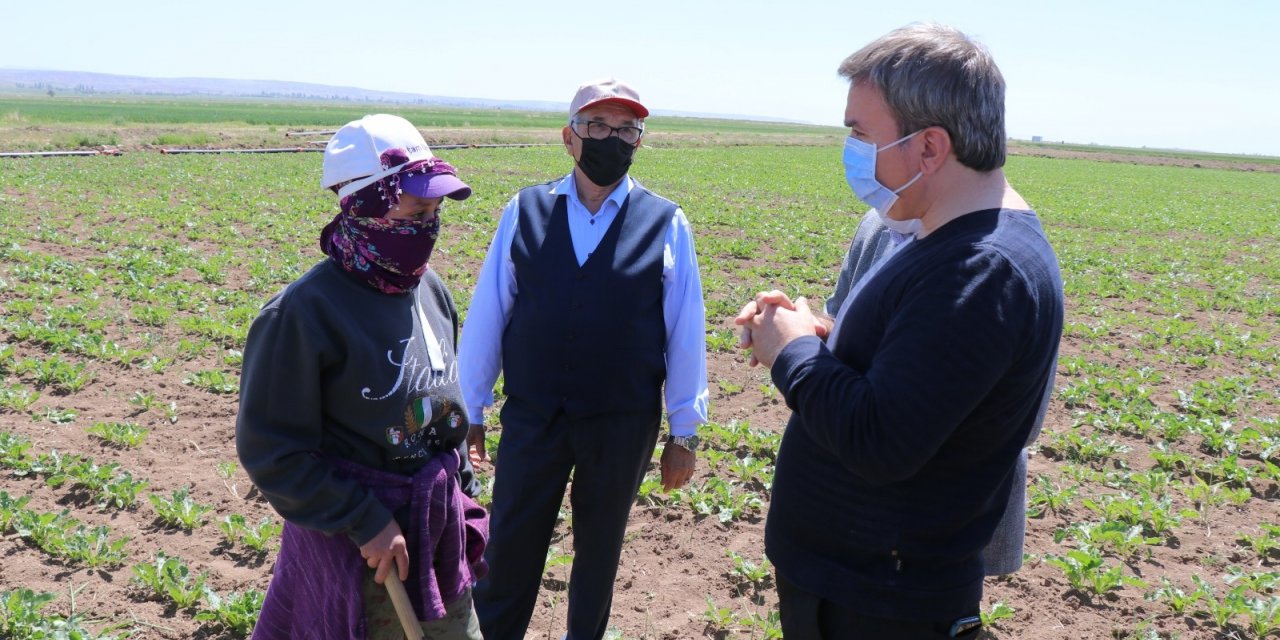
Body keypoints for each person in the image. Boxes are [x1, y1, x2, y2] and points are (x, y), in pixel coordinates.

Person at [736, 24, 1064, 638]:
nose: (852, 150)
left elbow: (881, 439)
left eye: (861, 133)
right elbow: (915, 376)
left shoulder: (981, 270)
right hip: (857, 585)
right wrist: (819, 334)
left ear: (930, 148)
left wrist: (795, 351)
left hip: (881, 602)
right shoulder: (946, 241)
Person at [459, 78, 709, 640]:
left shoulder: (667, 222)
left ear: (639, 141)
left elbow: (685, 333)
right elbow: (488, 315)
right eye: (598, 126)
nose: (612, 139)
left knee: (598, 556)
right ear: (570, 138)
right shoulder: (523, 211)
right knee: (509, 551)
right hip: (533, 416)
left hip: (621, 424)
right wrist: (469, 406)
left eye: (626, 129)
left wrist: (684, 432)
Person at [236, 114, 487, 640]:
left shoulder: (431, 291)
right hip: (363, 551)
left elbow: (446, 407)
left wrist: (464, 496)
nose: (429, 225)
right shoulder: (303, 315)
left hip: (435, 532)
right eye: (417, 209)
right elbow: (272, 451)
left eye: (436, 211)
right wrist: (363, 520)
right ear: (365, 205)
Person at [825, 210, 1052, 578]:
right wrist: (805, 336)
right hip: (856, 488)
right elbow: (837, 318)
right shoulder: (877, 225)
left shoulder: (995, 259)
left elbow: (1023, 420)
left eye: (871, 147)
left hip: (939, 511)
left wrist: (797, 360)